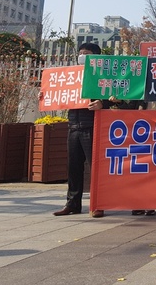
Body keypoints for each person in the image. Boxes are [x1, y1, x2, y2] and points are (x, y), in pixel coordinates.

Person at [53, 43, 107, 218]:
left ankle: (98, 204)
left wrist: (102, 104)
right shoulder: (71, 77)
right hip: (73, 125)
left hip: (91, 125)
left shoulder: (102, 76)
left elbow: (115, 96)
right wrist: (46, 96)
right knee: (73, 168)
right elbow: (58, 94)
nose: (82, 56)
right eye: (80, 54)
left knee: (95, 168)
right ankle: (72, 204)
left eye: (86, 54)